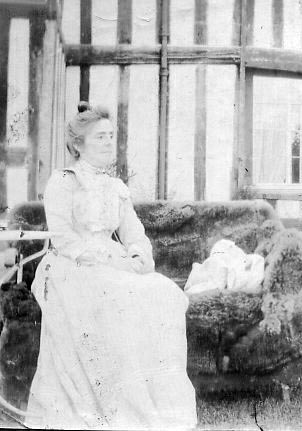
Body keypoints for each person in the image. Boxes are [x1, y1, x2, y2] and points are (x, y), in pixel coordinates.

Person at [25, 102, 197, 430]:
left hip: (112, 265)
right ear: (78, 144)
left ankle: (151, 406)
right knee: (114, 295)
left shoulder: (116, 188)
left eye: (111, 136)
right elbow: (64, 240)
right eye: (100, 137)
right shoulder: (63, 182)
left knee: (164, 292)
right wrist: (113, 261)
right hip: (69, 266)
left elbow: (134, 234)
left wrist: (138, 256)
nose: (108, 143)